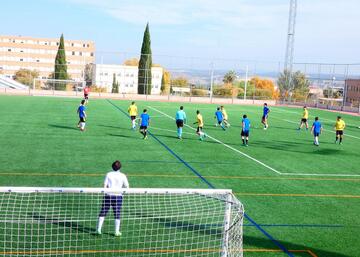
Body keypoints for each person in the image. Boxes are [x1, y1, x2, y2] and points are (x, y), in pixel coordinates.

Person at [96, 160, 129, 236]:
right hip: (118, 196)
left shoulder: (109, 174)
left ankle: (98, 229)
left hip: (108, 195)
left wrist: (105, 192)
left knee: (103, 211)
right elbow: (127, 186)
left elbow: (104, 185)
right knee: (117, 213)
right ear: (120, 167)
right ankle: (116, 231)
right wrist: (123, 193)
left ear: (112, 167)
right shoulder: (123, 175)